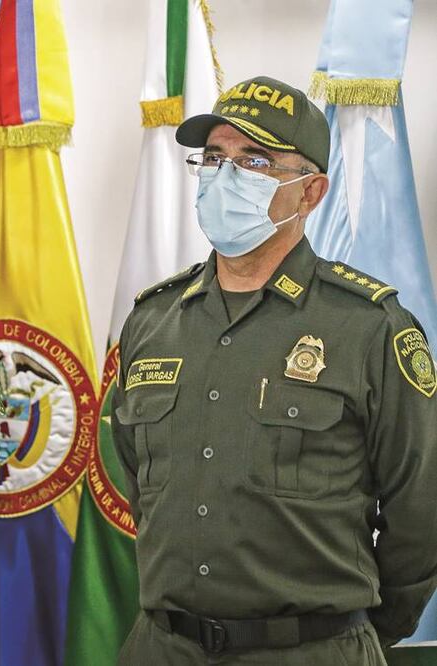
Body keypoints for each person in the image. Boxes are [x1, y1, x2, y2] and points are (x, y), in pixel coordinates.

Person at [112, 76, 437, 664]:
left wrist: (355, 633)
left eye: (253, 160)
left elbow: (423, 509)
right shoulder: (153, 320)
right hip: (163, 648)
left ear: (311, 193)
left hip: (309, 651)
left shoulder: (369, 327)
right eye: (214, 158)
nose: (223, 176)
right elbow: (138, 480)